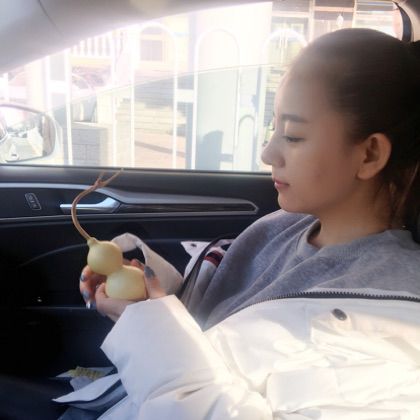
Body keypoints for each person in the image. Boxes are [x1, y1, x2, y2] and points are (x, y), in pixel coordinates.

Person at [79, 28, 420, 419]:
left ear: (370, 154)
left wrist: (146, 331)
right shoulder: (283, 226)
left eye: (293, 135)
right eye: (274, 129)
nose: (268, 153)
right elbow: (219, 328)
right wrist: (148, 304)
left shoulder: (391, 317)